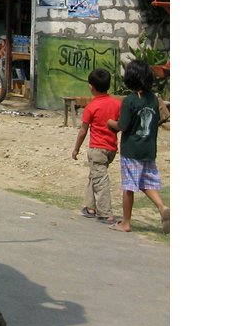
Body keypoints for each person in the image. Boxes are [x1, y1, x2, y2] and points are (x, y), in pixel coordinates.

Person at [105, 59, 170, 234]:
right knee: (146, 182)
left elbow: (123, 126)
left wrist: (111, 122)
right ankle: (162, 207)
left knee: (129, 186)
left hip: (132, 149)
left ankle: (126, 222)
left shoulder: (130, 101)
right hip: (148, 149)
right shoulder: (153, 99)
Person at [70, 68, 122, 225]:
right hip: (111, 148)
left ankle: (105, 213)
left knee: (100, 180)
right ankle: (90, 207)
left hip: (97, 148)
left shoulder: (91, 107)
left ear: (91, 87)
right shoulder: (116, 104)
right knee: (95, 175)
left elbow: (83, 131)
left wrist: (76, 148)